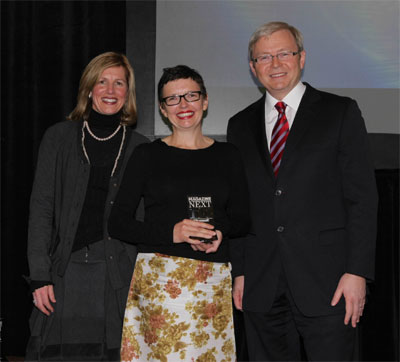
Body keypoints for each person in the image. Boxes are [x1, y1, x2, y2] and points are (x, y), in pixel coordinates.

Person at [227, 21, 378, 361]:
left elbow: (362, 199)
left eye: (284, 53)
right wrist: (240, 271)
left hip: (329, 283)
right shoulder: (239, 125)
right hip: (262, 285)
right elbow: (240, 206)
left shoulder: (340, 112)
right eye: (264, 57)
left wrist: (357, 272)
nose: (275, 64)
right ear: (253, 68)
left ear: (302, 57)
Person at [108, 65, 250, 361]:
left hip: (211, 284)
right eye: (173, 99)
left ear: (205, 101)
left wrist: (219, 234)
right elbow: (118, 223)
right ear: (163, 109)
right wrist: (172, 233)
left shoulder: (229, 156)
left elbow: (243, 219)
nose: (183, 105)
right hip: (160, 284)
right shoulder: (147, 155)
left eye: (191, 96)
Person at [25, 52, 149, 361]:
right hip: (64, 273)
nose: (110, 91)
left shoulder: (141, 147)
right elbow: (41, 208)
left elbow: (145, 218)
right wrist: (40, 276)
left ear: (127, 92)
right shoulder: (58, 138)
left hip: (116, 277)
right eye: (102, 82)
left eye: (118, 83)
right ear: (89, 89)